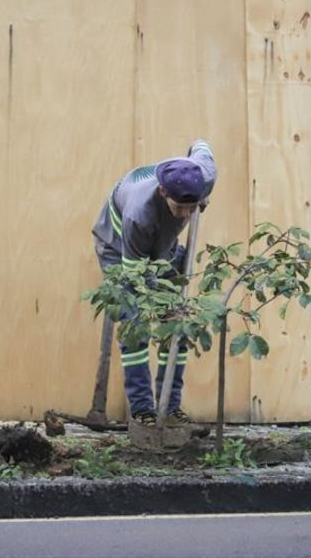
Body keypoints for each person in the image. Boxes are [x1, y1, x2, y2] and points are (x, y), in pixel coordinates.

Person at [92, 139, 217, 427]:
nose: (187, 214)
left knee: (178, 323)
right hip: (119, 247)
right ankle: (144, 411)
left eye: (192, 208)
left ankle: (169, 409)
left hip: (164, 244)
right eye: (180, 208)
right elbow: (137, 277)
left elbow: (201, 145)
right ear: (163, 192)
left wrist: (201, 198)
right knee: (135, 322)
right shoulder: (139, 214)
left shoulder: (204, 175)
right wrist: (160, 301)